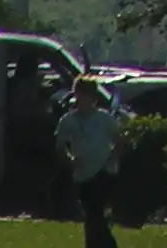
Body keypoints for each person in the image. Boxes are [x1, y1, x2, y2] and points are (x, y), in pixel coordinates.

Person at [55, 75, 121, 248]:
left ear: (93, 97)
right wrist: (70, 161)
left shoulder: (104, 119)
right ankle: (103, 244)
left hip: (103, 172)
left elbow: (120, 140)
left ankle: (97, 244)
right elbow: (60, 146)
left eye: (85, 95)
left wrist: (112, 159)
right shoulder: (68, 120)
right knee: (92, 214)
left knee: (94, 211)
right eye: (79, 95)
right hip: (82, 174)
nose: (82, 99)